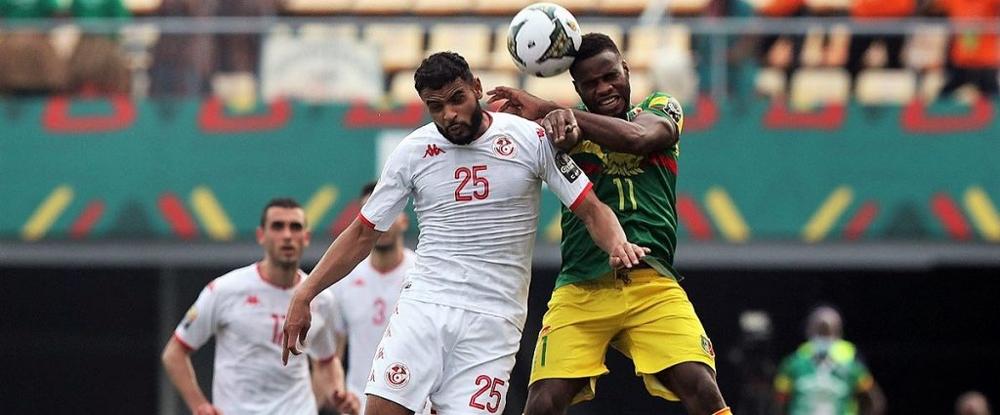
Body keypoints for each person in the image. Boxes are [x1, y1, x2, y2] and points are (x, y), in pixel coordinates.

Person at [281, 51, 649, 415]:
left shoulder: (530, 139)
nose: (449, 115)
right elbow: (363, 232)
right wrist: (305, 294)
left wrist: (618, 244)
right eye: (435, 106)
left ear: (477, 87)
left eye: (457, 99)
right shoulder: (412, 152)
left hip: (494, 321)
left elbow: (590, 208)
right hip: (426, 306)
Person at [486, 33, 731, 415]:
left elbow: (637, 138)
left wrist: (552, 107)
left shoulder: (661, 107)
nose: (604, 89)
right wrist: (531, 123)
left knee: (701, 387)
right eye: (590, 84)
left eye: (610, 76)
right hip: (581, 286)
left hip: (652, 284)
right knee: (543, 402)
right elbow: (529, 144)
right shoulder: (564, 129)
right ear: (577, 87)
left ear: (626, 69)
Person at [162, 198, 359, 415]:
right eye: (277, 226)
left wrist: (339, 393)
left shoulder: (321, 299)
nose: (287, 235)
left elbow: (326, 362)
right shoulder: (224, 290)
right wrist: (199, 405)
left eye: (295, 227)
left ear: (306, 238)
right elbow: (175, 353)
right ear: (261, 236)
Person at [330, 182, 416, 411]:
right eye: (373, 211)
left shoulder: (423, 272)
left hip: (414, 402)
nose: (382, 220)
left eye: (390, 211)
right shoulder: (343, 278)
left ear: (404, 220)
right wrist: (339, 393)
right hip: (358, 403)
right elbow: (334, 351)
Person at [773, 305, 886, 415]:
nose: (823, 337)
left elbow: (875, 401)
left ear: (838, 333)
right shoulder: (793, 364)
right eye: (820, 330)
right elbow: (779, 402)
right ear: (808, 330)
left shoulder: (852, 366)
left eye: (828, 331)